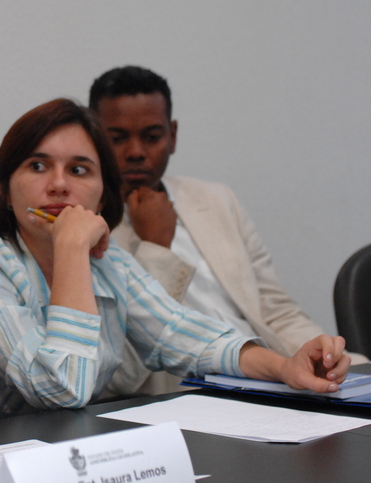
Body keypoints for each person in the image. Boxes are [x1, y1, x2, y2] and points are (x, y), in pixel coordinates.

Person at [0, 98, 349, 424]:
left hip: (61, 452)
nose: (58, 185)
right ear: (4, 189)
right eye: (38, 166)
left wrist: (284, 366)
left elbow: (188, 338)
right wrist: (71, 249)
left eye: (79, 170)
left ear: (102, 196)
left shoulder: (112, 264)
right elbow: (60, 389)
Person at [88, 65, 366, 395]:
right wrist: (157, 248)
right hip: (185, 389)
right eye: (117, 138)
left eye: (151, 137)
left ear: (172, 135)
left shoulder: (216, 199)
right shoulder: (90, 232)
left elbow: (276, 311)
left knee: (358, 374)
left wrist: (330, 358)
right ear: (95, 140)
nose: (136, 152)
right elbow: (119, 368)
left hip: (269, 370)